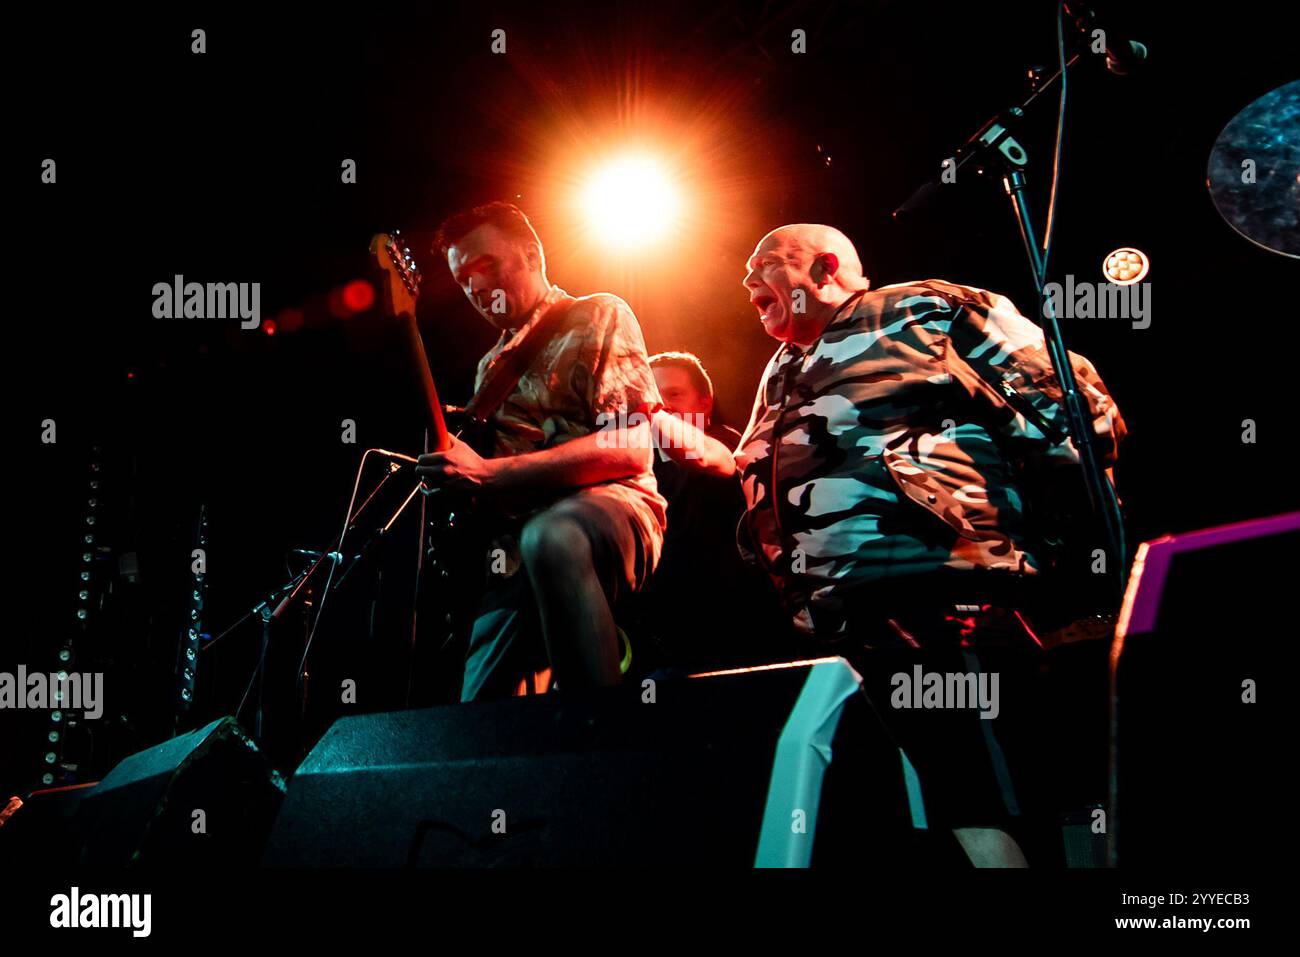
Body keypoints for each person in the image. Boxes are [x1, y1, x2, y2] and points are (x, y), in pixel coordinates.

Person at [734, 223, 1127, 866]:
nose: (747, 281)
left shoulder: (925, 307)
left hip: (939, 589)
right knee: (928, 810)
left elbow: (1080, 415)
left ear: (827, 267)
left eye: (768, 264)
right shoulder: (782, 367)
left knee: (983, 796)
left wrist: (1044, 542)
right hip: (838, 621)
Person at [416, 202, 667, 701]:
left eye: (484, 264)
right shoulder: (489, 367)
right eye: (462, 277)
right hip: (508, 555)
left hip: (611, 510)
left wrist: (488, 475)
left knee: (550, 536)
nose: (474, 286)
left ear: (531, 254)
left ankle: (597, 735)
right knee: (473, 724)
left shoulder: (598, 313)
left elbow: (632, 447)